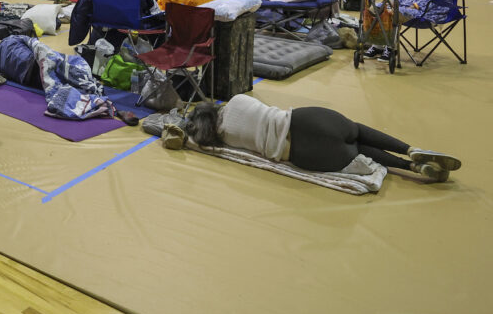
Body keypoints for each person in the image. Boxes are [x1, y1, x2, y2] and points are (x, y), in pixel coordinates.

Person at [185, 97, 461, 182]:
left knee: (354, 149)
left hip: (303, 153)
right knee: (355, 130)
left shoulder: (222, 140)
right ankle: (411, 150)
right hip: (305, 119)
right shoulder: (237, 101)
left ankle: (411, 169)